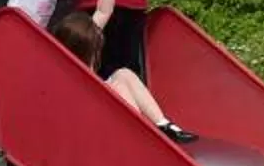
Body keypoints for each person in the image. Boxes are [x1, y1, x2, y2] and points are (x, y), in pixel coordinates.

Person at [52, 11, 197, 143]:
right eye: (94, 51)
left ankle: (164, 125)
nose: (97, 55)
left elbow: (104, 10)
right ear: (82, 51)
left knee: (123, 74)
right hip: (91, 127)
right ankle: (141, 135)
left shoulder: (81, 52)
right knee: (118, 86)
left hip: (102, 116)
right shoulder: (64, 75)